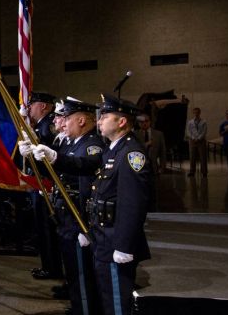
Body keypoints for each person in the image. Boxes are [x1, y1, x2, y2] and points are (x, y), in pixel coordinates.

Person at [20, 97, 104, 315]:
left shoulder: (92, 144)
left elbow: (83, 166)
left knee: (81, 270)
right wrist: (34, 158)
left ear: (83, 120)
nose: (63, 123)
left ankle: (84, 308)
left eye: (68, 118)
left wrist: (55, 158)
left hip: (78, 214)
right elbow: (56, 172)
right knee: (73, 267)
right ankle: (78, 305)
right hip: (66, 214)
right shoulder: (74, 142)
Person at [90, 94, 151, 315]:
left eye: (105, 115)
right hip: (104, 237)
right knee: (108, 296)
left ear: (122, 121)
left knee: (117, 301)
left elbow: (133, 203)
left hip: (116, 239)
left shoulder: (130, 153)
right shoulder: (112, 149)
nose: (99, 120)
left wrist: (124, 245)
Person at [21, 92, 64, 282]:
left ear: (44, 106)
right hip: (39, 183)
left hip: (46, 185)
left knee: (48, 229)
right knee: (42, 228)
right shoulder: (41, 125)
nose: (29, 108)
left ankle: (52, 268)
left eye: (33, 104)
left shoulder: (48, 126)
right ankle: (48, 265)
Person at [185, 107, 208, 177]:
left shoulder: (204, 122)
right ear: (193, 113)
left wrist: (199, 138)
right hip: (192, 141)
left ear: (199, 113)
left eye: (197, 112)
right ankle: (192, 171)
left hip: (201, 141)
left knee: (203, 157)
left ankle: (204, 172)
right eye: (195, 112)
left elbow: (204, 131)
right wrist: (193, 138)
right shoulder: (190, 122)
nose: (196, 114)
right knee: (192, 157)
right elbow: (188, 132)